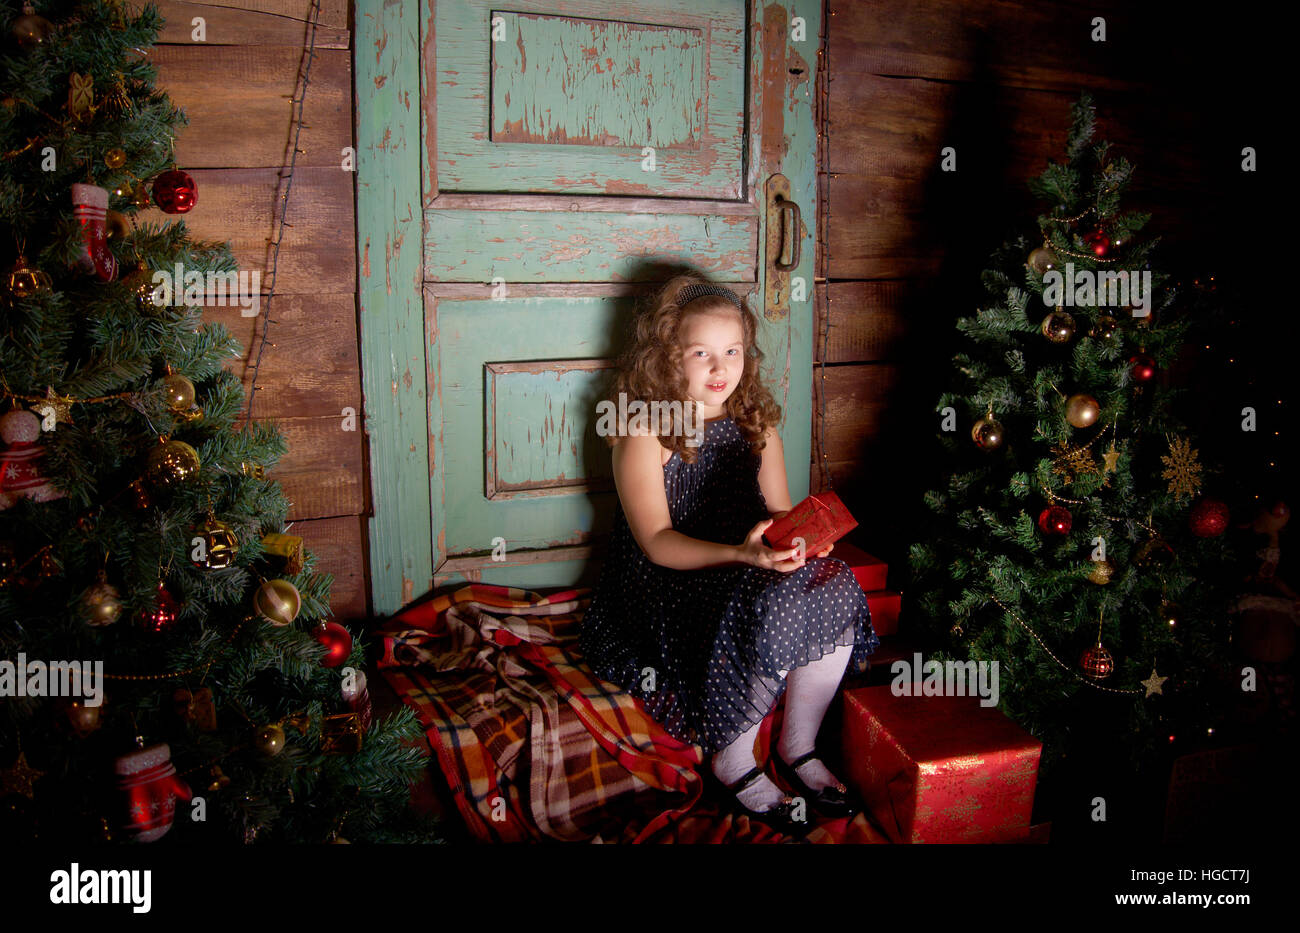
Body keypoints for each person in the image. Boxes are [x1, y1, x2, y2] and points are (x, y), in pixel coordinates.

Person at [580, 274, 878, 832]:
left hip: (748, 562)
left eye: (732, 351)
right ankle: (733, 757)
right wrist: (745, 560)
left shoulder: (756, 423)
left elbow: (782, 515)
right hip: (669, 585)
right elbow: (655, 544)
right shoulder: (643, 431)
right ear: (667, 356)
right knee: (763, 598)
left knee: (833, 581)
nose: (721, 369)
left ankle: (799, 746)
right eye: (702, 354)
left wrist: (804, 543)